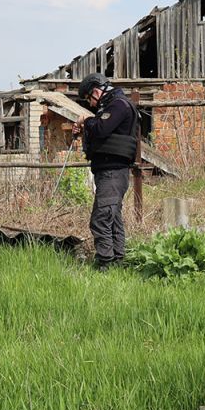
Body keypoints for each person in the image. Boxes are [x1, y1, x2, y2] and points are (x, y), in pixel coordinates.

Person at [74, 72, 138, 268]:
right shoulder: (111, 107)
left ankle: (106, 263)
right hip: (109, 172)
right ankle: (118, 260)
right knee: (113, 219)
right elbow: (102, 131)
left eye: (88, 99)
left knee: (100, 219)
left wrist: (86, 120)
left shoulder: (119, 105)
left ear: (96, 91)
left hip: (113, 172)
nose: (90, 104)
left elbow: (101, 129)